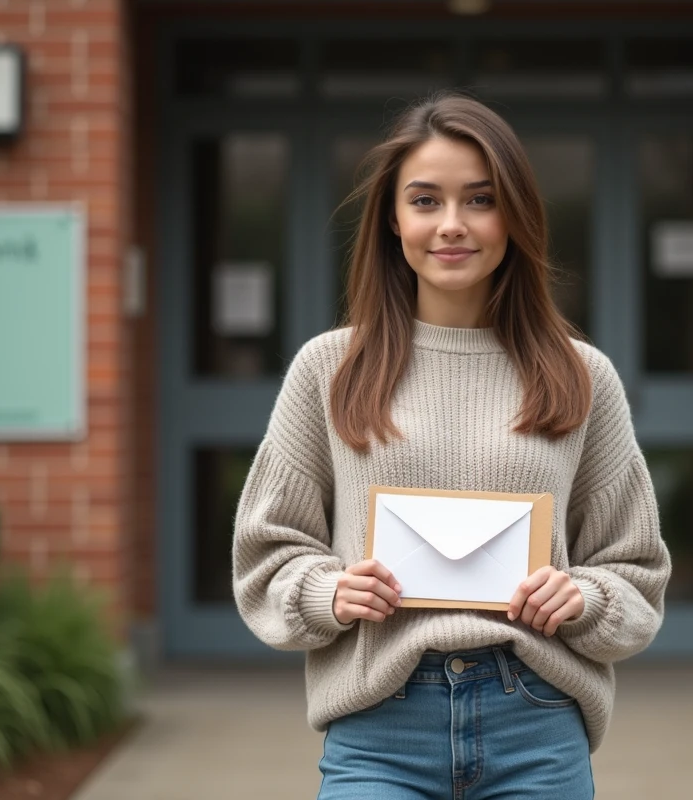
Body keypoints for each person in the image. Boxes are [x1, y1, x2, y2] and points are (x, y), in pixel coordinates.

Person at [232, 92, 671, 800]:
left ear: (515, 217)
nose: (452, 225)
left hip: (536, 718)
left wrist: (582, 597)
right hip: (378, 724)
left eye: (480, 199)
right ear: (393, 220)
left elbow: (636, 572)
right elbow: (267, 554)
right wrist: (328, 590)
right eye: (426, 200)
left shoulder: (581, 376)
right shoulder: (329, 369)